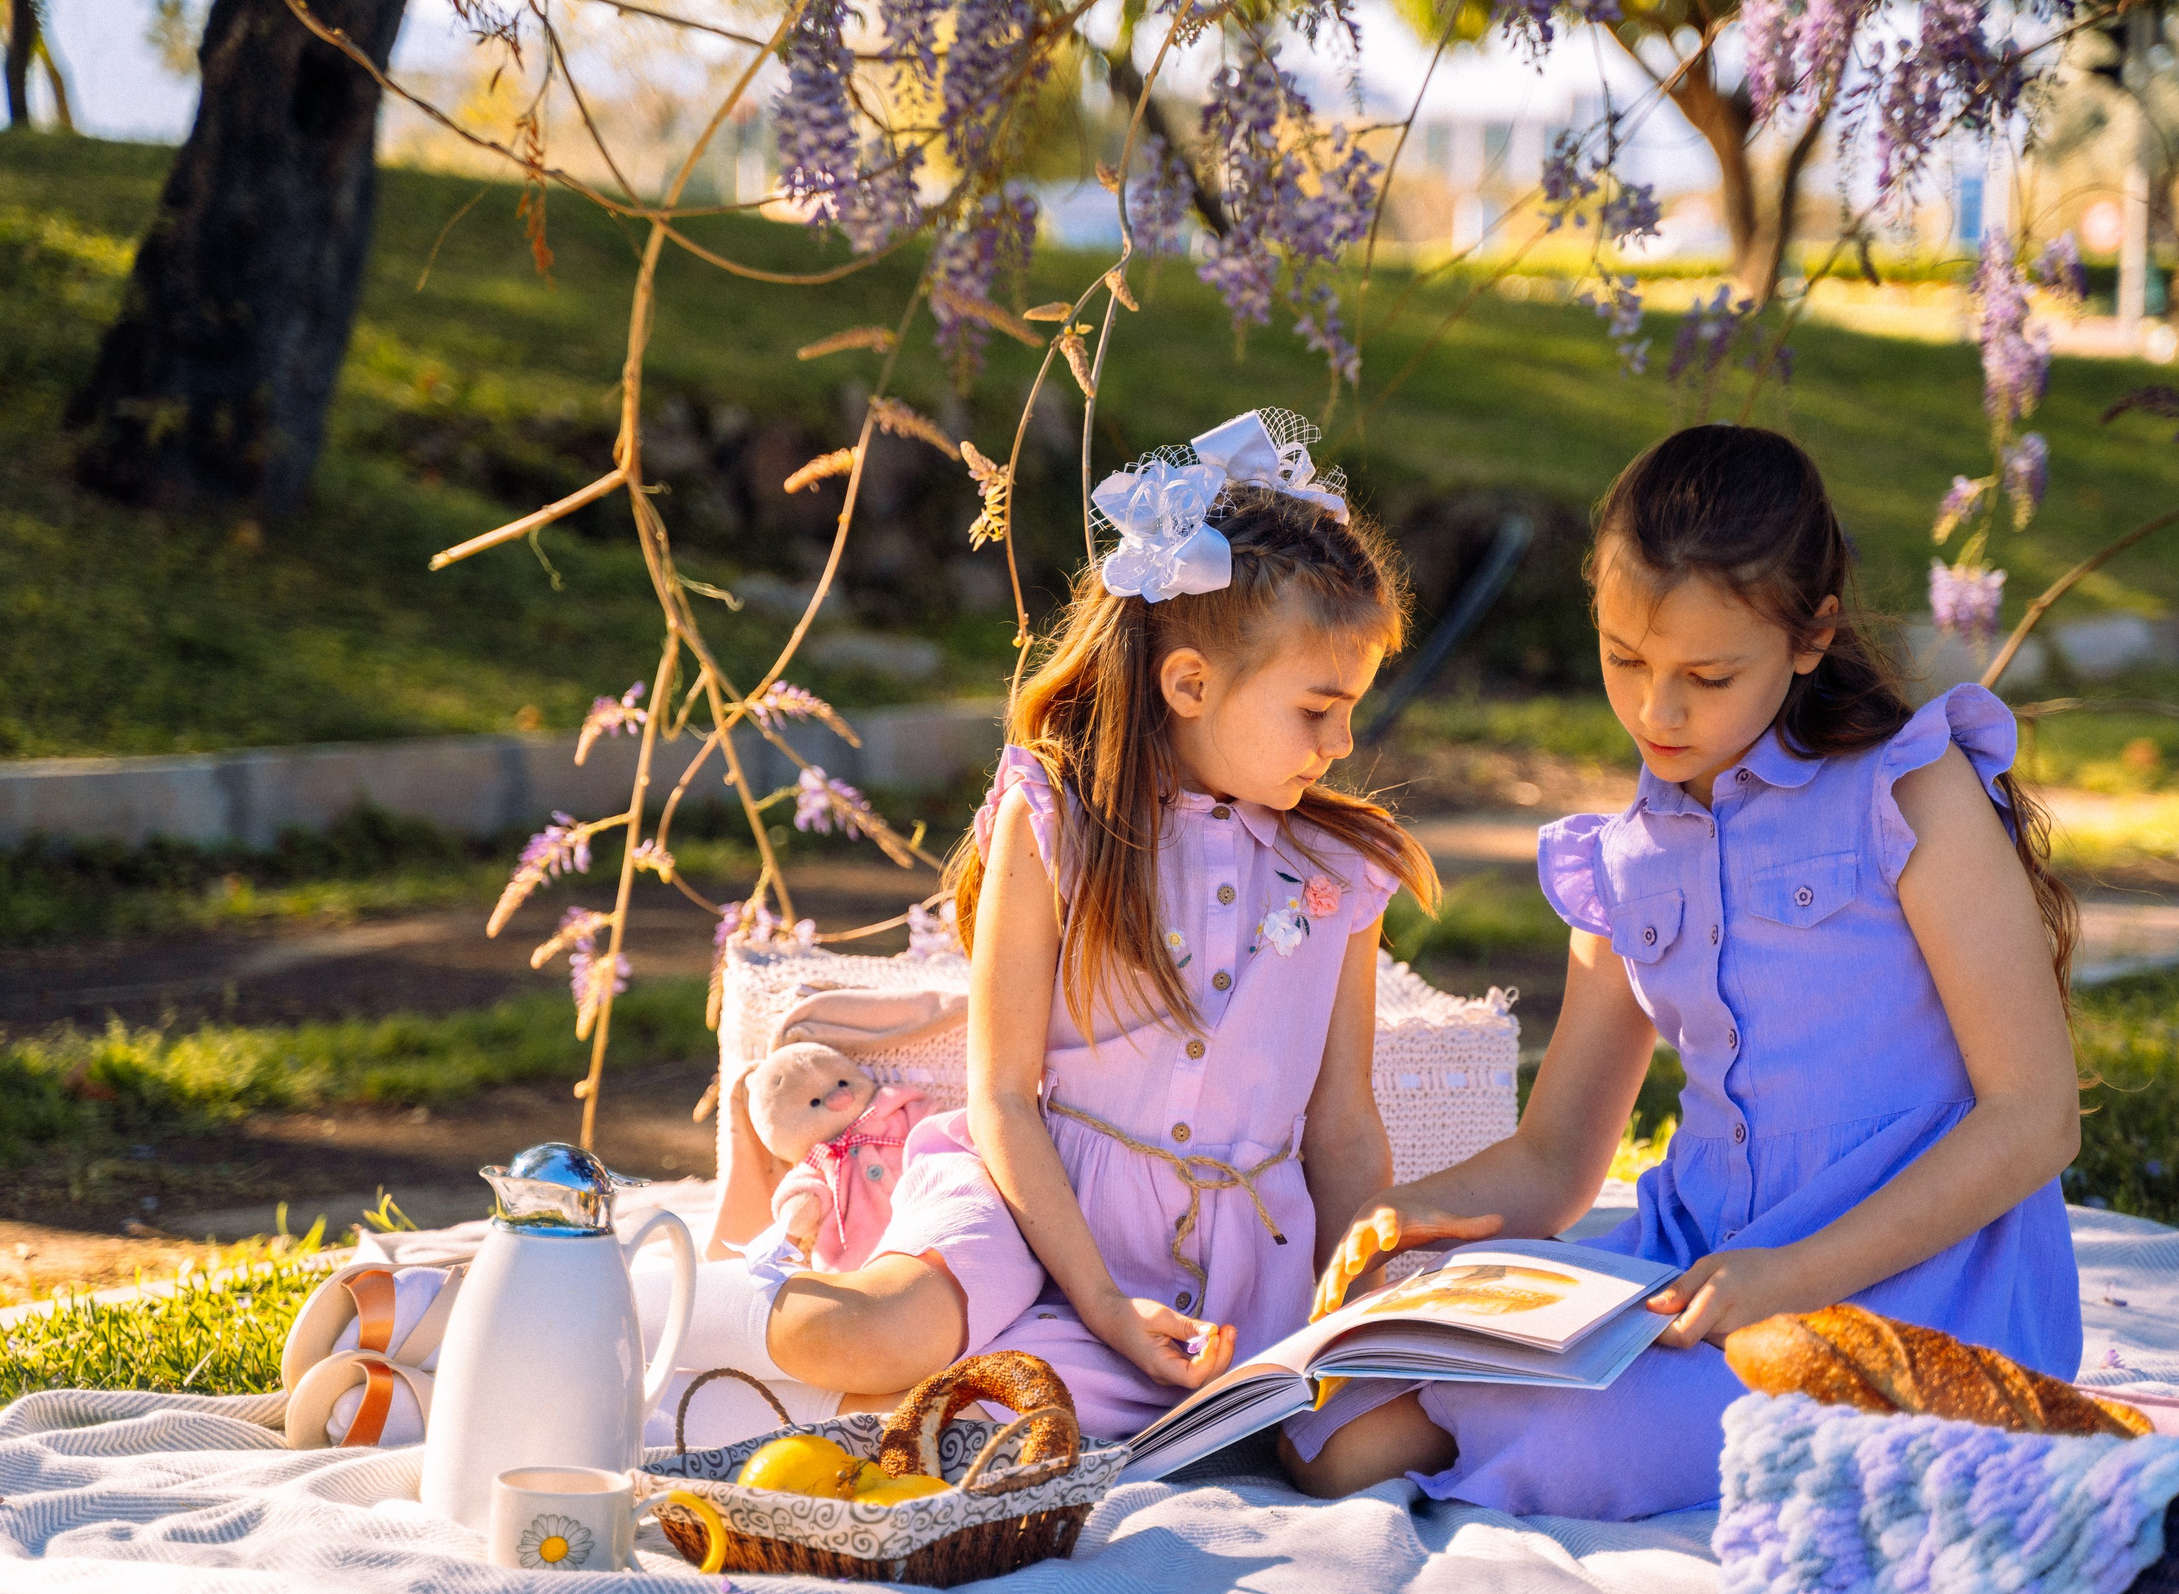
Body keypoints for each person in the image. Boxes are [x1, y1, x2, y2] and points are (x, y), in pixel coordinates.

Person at [1278, 424, 2083, 1519]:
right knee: (1331, 1420)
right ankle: (1483, 1417)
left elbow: (2034, 1118)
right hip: (1696, 1277)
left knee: (1578, 1431)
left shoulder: (1910, 793)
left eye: (1706, 676)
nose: (1657, 713)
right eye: (1624, 660)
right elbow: (1558, 1158)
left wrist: (1787, 1279)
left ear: (1809, 638)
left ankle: (1512, 1434)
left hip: (1912, 1291)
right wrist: (1408, 1216)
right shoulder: (1628, 856)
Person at [717, 409, 1437, 1439]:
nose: (1341, 742)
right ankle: (673, 1310)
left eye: (1352, 709)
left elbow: (1343, 1127)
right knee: (879, 1346)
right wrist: (1100, 1301)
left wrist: (1359, 1307)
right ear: (1189, 684)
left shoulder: (1340, 871)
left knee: (1349, 1444)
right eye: (1315, 709)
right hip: (1031, 1213)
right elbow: (1003, 1095)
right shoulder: (1056, 816)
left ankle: (892, 1397)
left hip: (1233, 1280)